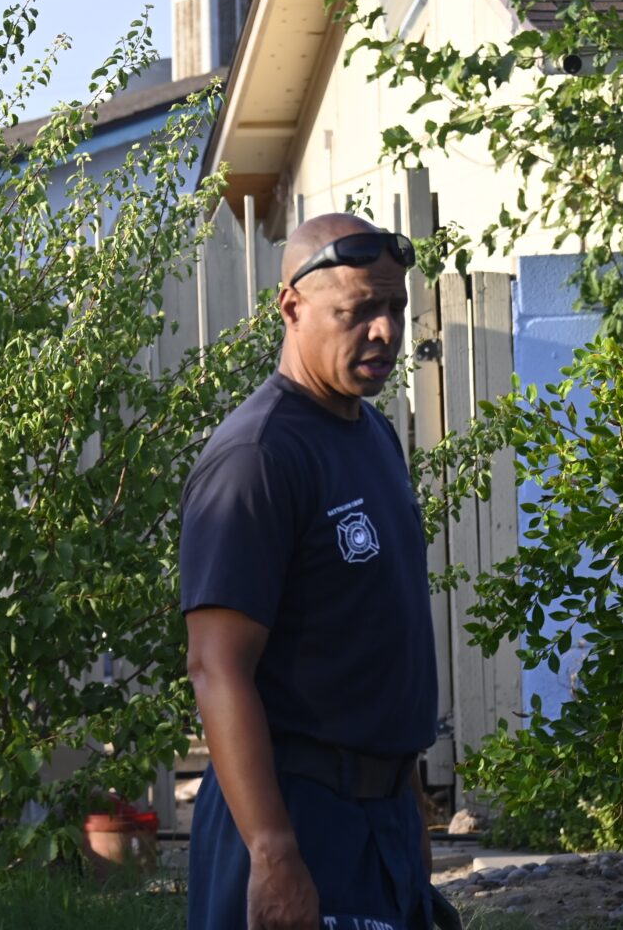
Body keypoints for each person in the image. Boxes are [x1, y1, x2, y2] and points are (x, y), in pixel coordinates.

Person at [179, 212, 438, 930]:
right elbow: (215, 668)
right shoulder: (258, 458)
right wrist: (272, 851)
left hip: (377, 817)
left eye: (395, 308)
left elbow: (370, 642)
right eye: (359, 311)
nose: (385, 331)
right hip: (295, 815)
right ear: (291, 308)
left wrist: (407, 801)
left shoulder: (371, 433)